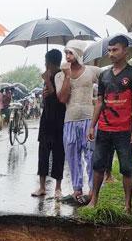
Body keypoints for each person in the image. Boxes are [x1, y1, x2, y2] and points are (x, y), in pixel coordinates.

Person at [87, 35, 132, 212]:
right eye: (109, 50)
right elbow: (99, 102)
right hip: (104, 128)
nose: (111, 54)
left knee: (126, 168)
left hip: (124, 130)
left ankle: (128, 205)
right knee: (98, 165)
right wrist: (92, 125)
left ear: (125, 51)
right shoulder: (104, 75)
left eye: (115, 50)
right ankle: (94, 200)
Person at [56, 39, 101, 204]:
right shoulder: (60, 75)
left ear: (78, 54)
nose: (67, 56)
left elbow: (108, 81)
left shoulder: (92, 71)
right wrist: (67, 76)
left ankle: (92, 190)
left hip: (89, 120)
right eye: (66, 53)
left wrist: (100, 100)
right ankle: (77, 189)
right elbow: (62, 98)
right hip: (70, 120)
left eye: (70, 52)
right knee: (72, 156)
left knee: (91, 155)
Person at [34, 49, 67, 198]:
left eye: (46, 61)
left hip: (59, 121)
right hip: (46, 120)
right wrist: (44, 92)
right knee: (43, 154)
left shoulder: (62, 76)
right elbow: (47, 100)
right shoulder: (47, 77)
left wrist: (48, 80)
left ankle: (58, 188)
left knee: (59, 153)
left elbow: (59, 98)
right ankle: (41, 187)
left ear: (50, 62)